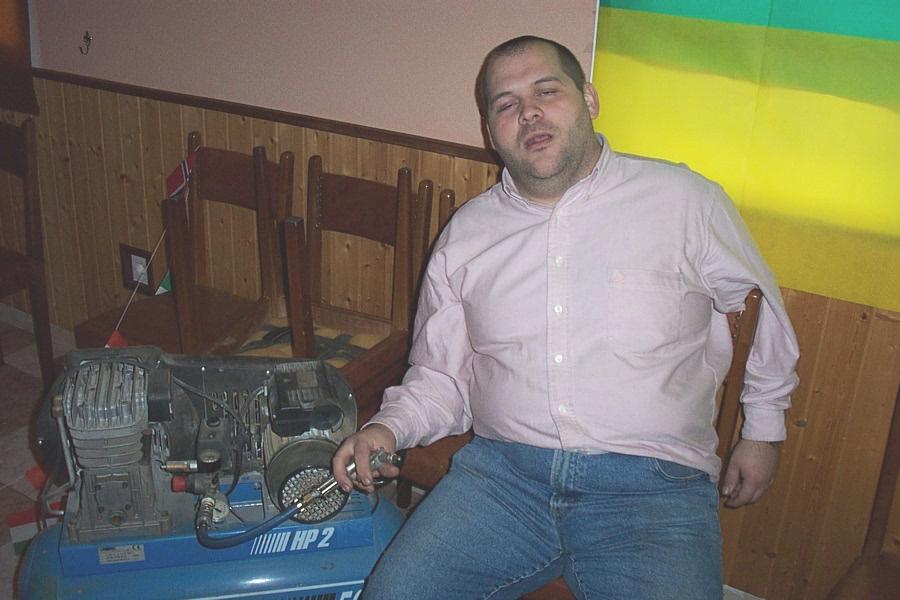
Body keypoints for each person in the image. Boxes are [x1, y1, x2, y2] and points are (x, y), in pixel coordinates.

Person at [333, 35, 800, 599]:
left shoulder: (684, 201)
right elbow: (440, 376)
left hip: (652, 491)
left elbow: (760, 312)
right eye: (506, 104)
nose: (528, 112)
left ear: (590, 99)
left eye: (547, 91)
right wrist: (386, 428)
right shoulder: (467, 236)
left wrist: (764, 430)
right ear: (490, 133)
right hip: (502, 482)